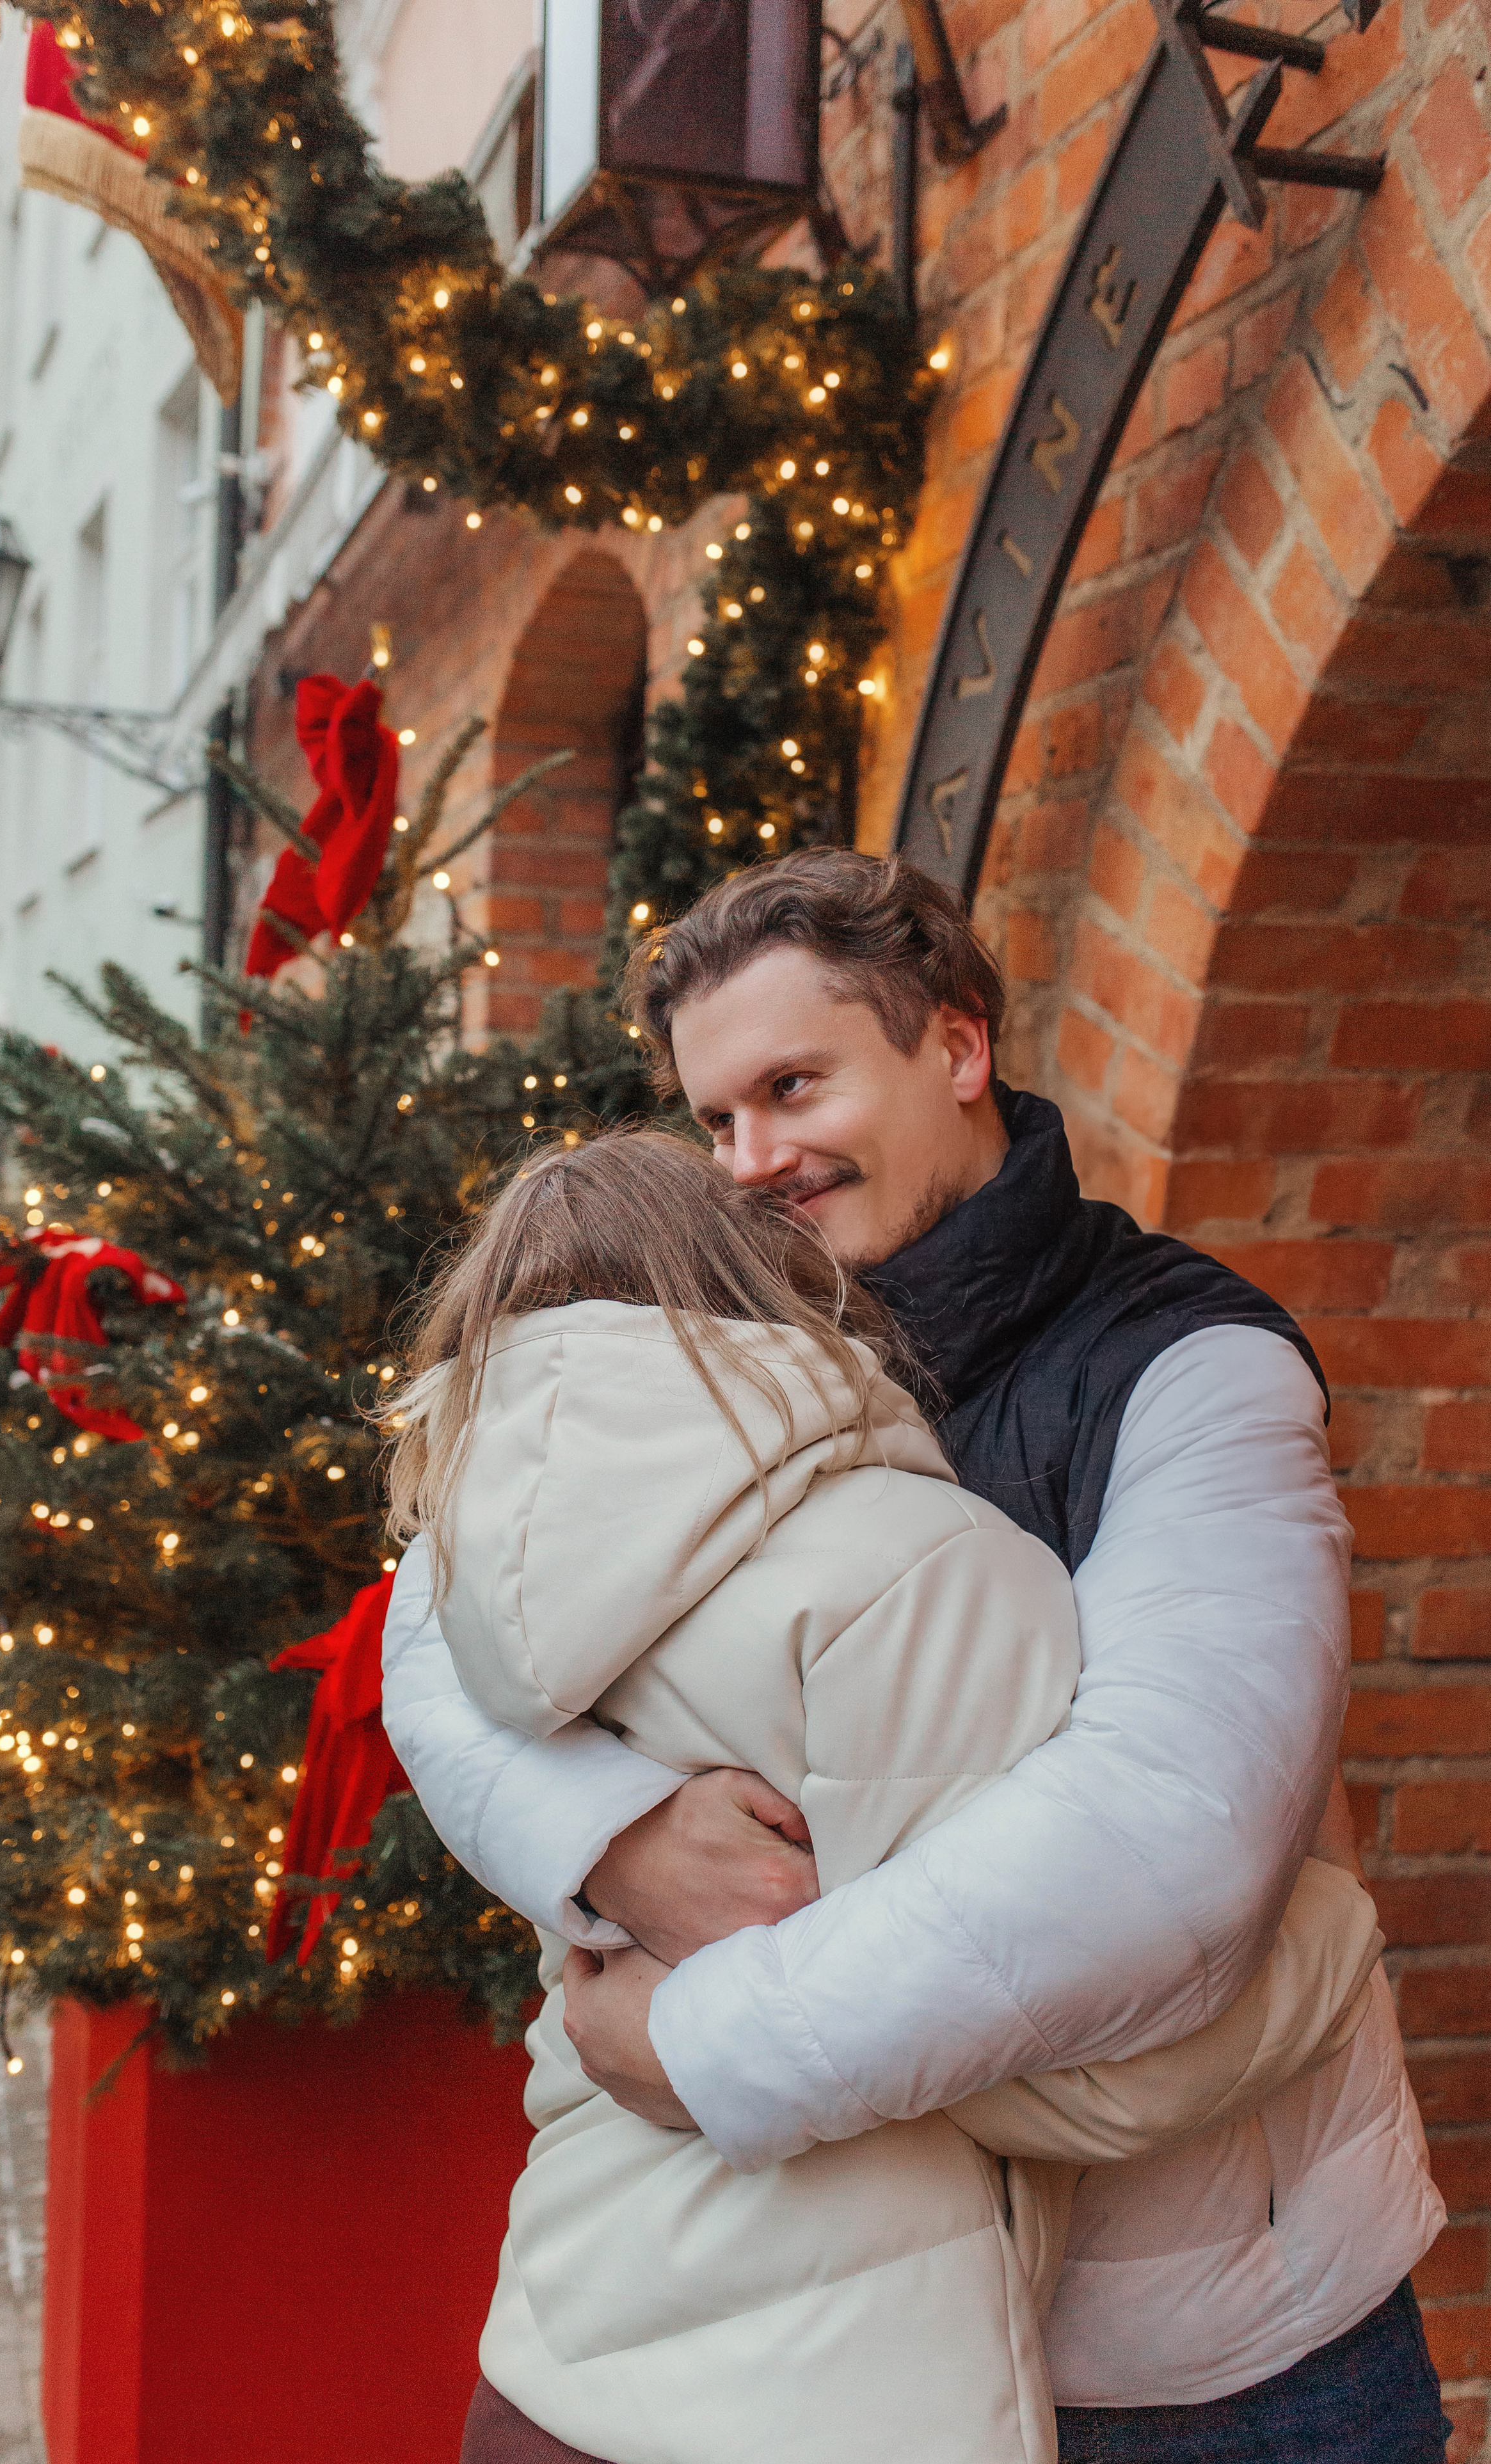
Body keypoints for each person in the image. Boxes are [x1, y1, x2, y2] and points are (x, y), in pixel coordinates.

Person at [384, 850, 1447, 2464]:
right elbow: (445, 1621)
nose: (750, 1161)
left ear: (956, 1047)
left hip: (1192, 2348)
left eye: (794, 1086)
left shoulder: (1191, 1366)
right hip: (859, 2338)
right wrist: (611, 1838)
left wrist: (694, 2037)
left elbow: (1168, 1837)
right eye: (715, 1117)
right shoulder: (724, 1334)